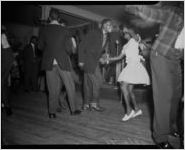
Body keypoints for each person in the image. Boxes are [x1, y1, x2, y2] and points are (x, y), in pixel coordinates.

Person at [124, 2, 184, 148]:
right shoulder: (176, 12)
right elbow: (156, 13)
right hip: (161, 55)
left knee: (176, 95)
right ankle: (160, 137)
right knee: (164, 95)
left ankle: (171, 127)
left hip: (176, 59)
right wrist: (137, 7)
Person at [38, 9, 81, 119]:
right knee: (70, 86)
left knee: (52, 88)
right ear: (58, 18)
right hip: (63, 62)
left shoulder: (43, 29)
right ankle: (73, 110)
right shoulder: (65, 30)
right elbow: (69, 49)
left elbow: (40, 47)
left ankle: (52, 112)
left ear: (49, 18)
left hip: (49, 62)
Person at [107, 25, 150, 121]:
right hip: (129, 66)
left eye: (125, 33)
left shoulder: (135, 39)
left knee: (123, 86)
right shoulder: (125, 46)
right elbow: (119, 57)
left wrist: (129, 30)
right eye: (124, 33)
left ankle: (129, 111)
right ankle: (137, 109)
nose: (124, 34)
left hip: (135, 65)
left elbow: (136, 36)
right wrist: (108, 59)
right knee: (129, 90)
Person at [78, 19, 113, 111]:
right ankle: (94, 103)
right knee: (98, 81)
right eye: (109, 24)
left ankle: (86, 104)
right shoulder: (94, 32)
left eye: (111, 25)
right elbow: (82, 45)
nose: (111, 26)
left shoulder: (107, 37)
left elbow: (97, 50)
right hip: (88, 61)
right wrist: (81, 60)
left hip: (95, 62)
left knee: (88, 84)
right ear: (103, 25)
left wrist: (102, 57)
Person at [1, 26, 14, 116]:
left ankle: (5, 105)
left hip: (5, 62)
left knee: (3, 84)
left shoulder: (3, 36)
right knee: (3, 84)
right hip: (6, 62)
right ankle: (6, 105)